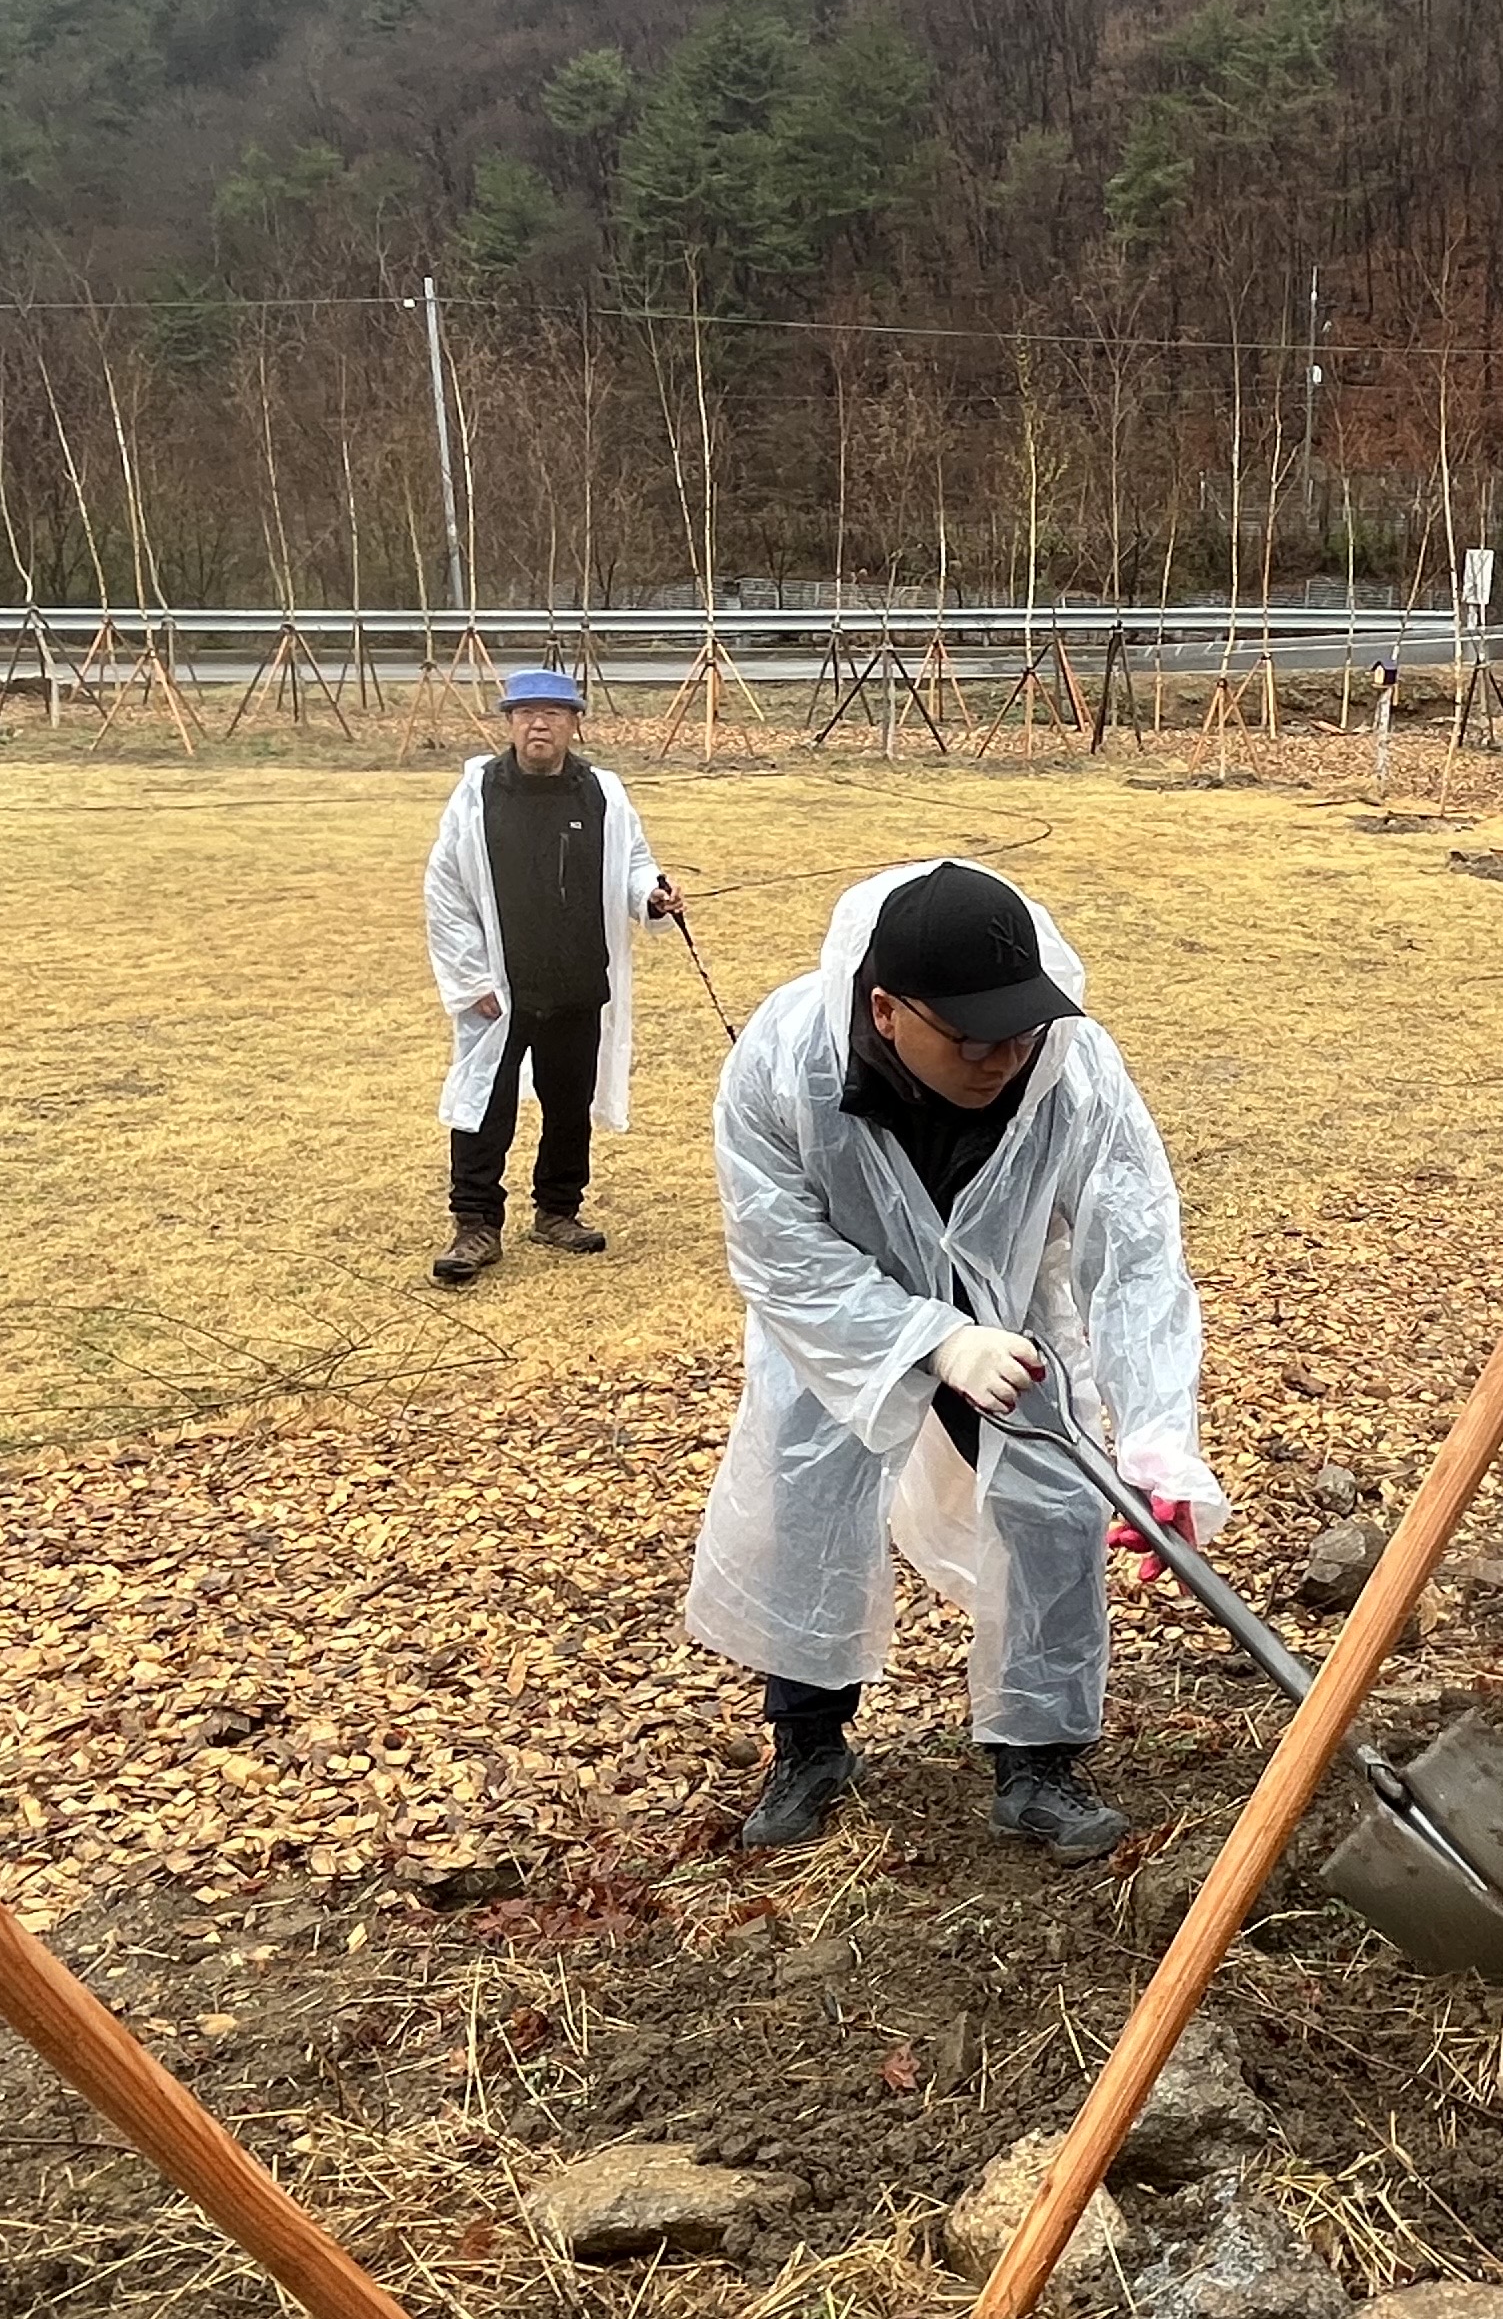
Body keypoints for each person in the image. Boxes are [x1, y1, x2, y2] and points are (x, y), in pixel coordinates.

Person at [684, 859, 1222, 1863]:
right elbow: (779, 1252)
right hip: (843, 1321)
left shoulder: (1067, 1069)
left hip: (1009, 1315)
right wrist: (931, 1339)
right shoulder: (787, 1062)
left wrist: (1158, 1441)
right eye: (974, 1040)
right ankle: (808, 1744)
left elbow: (1136, 1253)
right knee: (809, 1496)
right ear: (886, 1012)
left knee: (1054, 1504)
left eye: (1022, 1032)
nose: (1004, 1059)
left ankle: (1039, 1764)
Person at [422, 667, 676, 1283]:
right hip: (502, 988)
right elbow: (445, 889)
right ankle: (476, 1223)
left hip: (577, 978)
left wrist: (650, 895)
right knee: (486, 1106)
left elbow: (633, 863)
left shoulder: (602, 793)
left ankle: (558, 1210)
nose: (540, 725)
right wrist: (470, 979)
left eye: (554, 714)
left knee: (569, 1102)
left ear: (573, 724)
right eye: (526, 714)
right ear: (509, 723)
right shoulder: (478, 794)